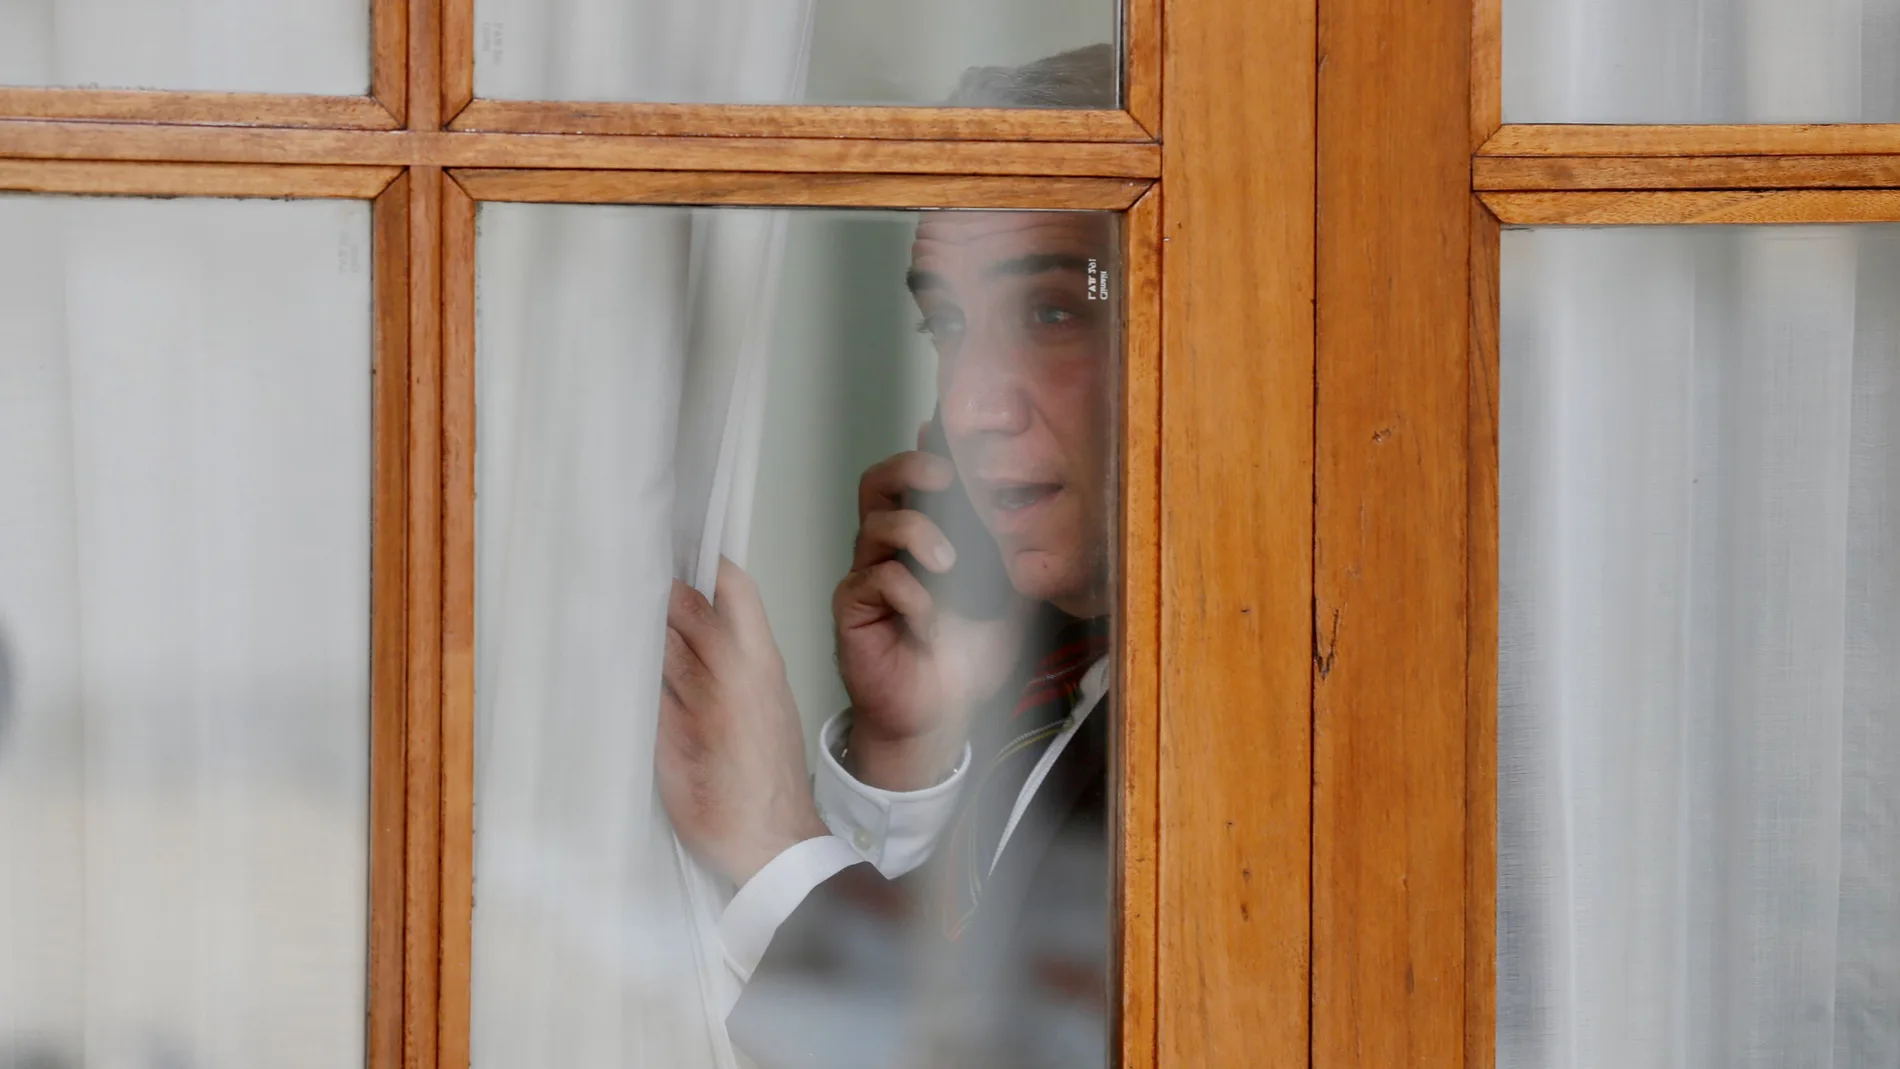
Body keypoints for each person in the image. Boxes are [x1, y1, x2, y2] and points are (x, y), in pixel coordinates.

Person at [656, 46, 1120, 1068]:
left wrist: (777, 845)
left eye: (1052, 313)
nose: (972, 405)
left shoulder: (1256, 716)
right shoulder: (1041, 669)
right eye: (949, 325)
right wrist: (905, 756)